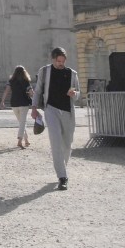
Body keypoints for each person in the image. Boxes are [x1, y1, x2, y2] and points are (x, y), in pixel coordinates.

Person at [31, 47, 81, 190]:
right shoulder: (44, 71)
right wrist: (34, 108)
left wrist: (74, 94)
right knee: (56, 142)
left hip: (67, 111)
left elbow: (78, 93)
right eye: (58, 61)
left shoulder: (72, 73)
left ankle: (62, 167)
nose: (61, 63)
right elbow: (38, 89)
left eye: (63, 61)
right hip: (51, 109)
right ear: (53, 59)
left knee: (67, 143)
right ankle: (62, 176)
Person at [0, 66, 34, 148]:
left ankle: (26, 140)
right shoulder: (26, 81)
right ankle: (19, 140)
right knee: (22, 122)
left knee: (21, 122)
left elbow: (6, 91)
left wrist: (2, 101)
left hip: (14, 103)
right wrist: (34, 99)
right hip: (24, 103)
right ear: (24, 72)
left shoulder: (11, 81)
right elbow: (31, 93)